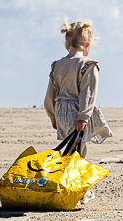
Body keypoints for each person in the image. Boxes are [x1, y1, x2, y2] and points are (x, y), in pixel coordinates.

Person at [44, 20, 113, 158]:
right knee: (76, 151)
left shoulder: (57, 65)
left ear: (67, 44)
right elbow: (88, 93)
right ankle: (68, 177)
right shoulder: (88, 65)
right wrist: (83, 116)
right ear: (88, 44)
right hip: (77, 111)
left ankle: (69, 175)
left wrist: (53, 116)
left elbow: (49, 96)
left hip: (61, 111)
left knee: (73, 147)